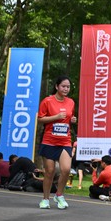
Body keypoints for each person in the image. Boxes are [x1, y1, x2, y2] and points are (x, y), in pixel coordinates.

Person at [37, 75, 77, 209]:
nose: (66, 89)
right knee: (50, 171)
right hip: (49, 141)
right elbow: (40, 119)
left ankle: (59, 195)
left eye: (68, 87)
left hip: (65, 141)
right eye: (63, 86)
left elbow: (69, 117)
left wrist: (72, 120)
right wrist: (56, 117)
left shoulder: (71, 102)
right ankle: (45, 199)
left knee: (66, 169)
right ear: (56, 87)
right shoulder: (47, 101)